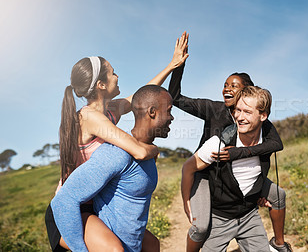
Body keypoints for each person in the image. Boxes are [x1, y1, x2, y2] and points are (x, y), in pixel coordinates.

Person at [45, 33, 188, 251]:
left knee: (151, 245)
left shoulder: (111, 111)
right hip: (73, 207)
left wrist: (171, 66)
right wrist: (154, 149)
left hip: (94, 202)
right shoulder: (89, 117)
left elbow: (143, 98)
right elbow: (138, 151)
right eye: (113, 73)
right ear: (101, 84)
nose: (118, 76)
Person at [169, 55, 290, 251]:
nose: (227, 88)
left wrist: (242, 160)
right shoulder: (214, 109)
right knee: (200, 226)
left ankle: (279, 243)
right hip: (207, 173)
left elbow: (275, 145)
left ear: (247, 90)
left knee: (278, 195)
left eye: (234, 85)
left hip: (238, 174)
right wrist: (178, 66)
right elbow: (175, 98)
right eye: (225, 84)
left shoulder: (262, 123)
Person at [51, 85, 174, 252]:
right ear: (152, 112)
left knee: (153, 244)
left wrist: (172, 66)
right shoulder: (117, 154)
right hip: (81, 224)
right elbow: (63, 200)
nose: (172, 117)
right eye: (169, 110)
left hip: (130, 243)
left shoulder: (147, 154)